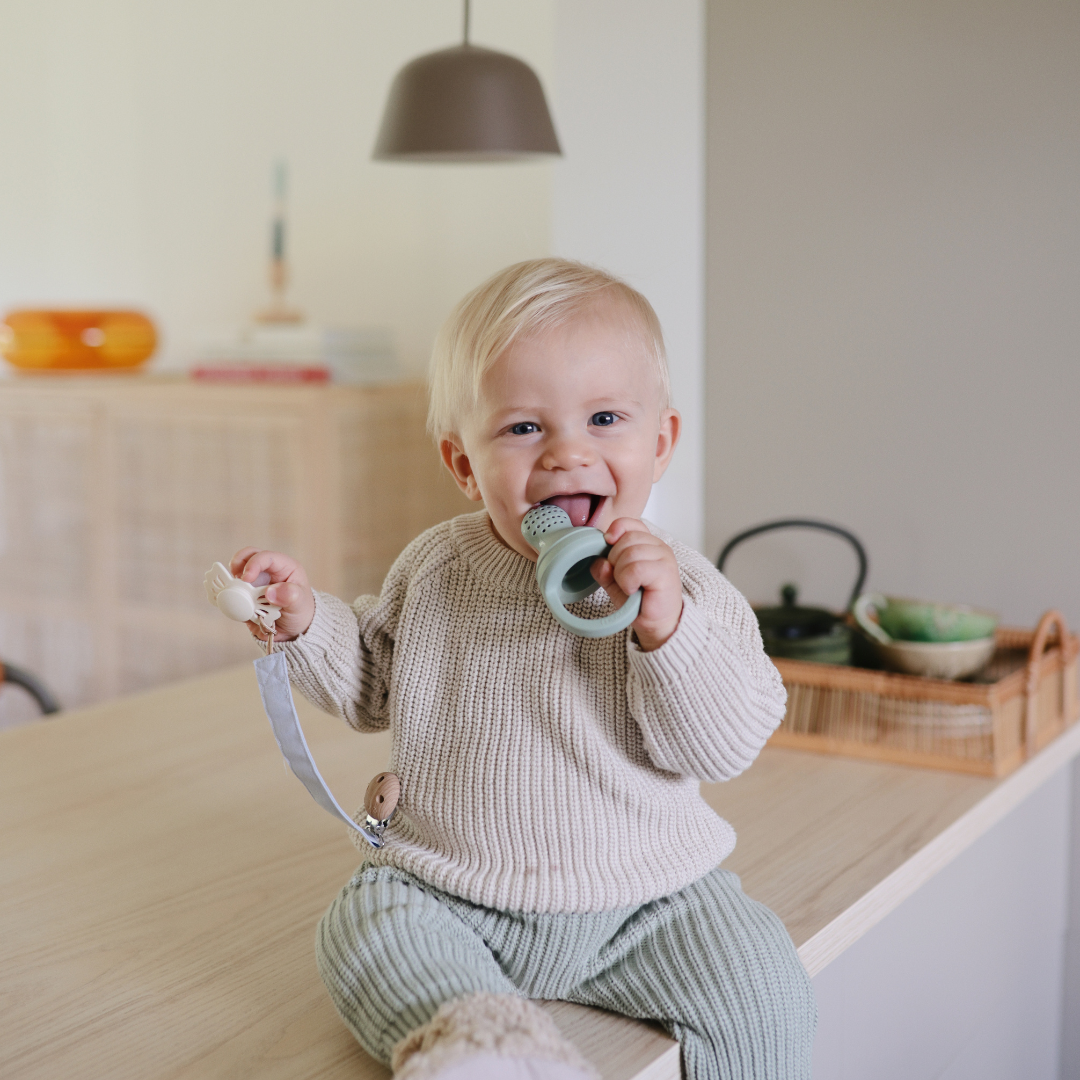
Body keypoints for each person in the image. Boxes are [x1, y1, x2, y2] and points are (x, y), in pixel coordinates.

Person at [229, 258, 815, 1080]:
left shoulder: (682, 588)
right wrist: (302, 621)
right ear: (464, 466)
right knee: (363, 932)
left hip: (649, 900)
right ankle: (489, 1046)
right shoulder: (437, 567)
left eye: (604, 418)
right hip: (455, 890)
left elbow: (725, 746)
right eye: (523, 429)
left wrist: (667, 630)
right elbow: (372, 681)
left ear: (659, 443)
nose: (568, 454)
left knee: (762, 981)